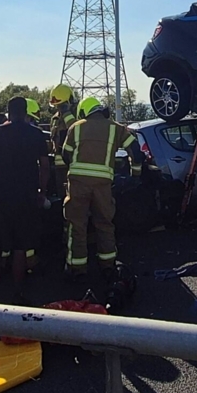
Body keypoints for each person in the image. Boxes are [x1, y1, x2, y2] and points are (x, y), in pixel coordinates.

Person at [61, 96, 143, 283]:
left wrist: (75, 168)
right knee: (105, 224)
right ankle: (107, 266)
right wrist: (135, 174)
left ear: (84, 111)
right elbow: (136, 152)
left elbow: (66, 154)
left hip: (78, 184)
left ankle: (77, 267)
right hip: (103, 185)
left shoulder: (77, 127)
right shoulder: (116, 128)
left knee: (77, 226)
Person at [0, 97, 50, 303]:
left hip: (2, 196)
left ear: (9, 112)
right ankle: (18, 292)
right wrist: (42, 191)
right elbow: (44, 166)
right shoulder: (36, 134)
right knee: (20, 248)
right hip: (26, 197)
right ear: (26, 111)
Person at [48, 85, 77, 199]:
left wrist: (67, 114)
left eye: (61, 105)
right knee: (62, 196)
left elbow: (74, 129)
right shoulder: (55, 119)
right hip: (60, 167)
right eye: (57, 106)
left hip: (74, 165)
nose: (58, 108)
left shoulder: (77, 115)